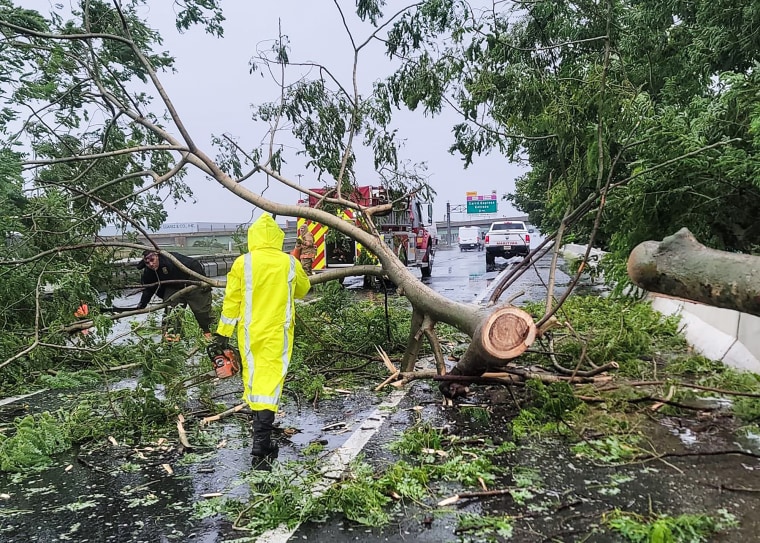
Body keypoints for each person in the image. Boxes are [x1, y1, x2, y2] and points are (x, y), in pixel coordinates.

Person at [213, 214, 310, 468]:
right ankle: (262, 441)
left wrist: (222, 333)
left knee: (255, 380)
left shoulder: (242, 263)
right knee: (271, 382)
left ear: (252, 237)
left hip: (249, 333)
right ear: (277, 238)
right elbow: (303, 290)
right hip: (278, 332)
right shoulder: (288, 263)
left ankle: (261, 436)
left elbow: (231, 301)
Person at [136, 250, 214, 341]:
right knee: (171, 313)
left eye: (152, 260)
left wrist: (202, 281)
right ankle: (171, 338)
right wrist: (142, 304)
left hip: (191, 282)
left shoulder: (171, 258)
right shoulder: (149, 271)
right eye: (147, 263)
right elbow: (149, 289)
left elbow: (194, 264)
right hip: (173, 287)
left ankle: (209, 332)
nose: (151, 264)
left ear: (157, 256)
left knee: (201, 310)